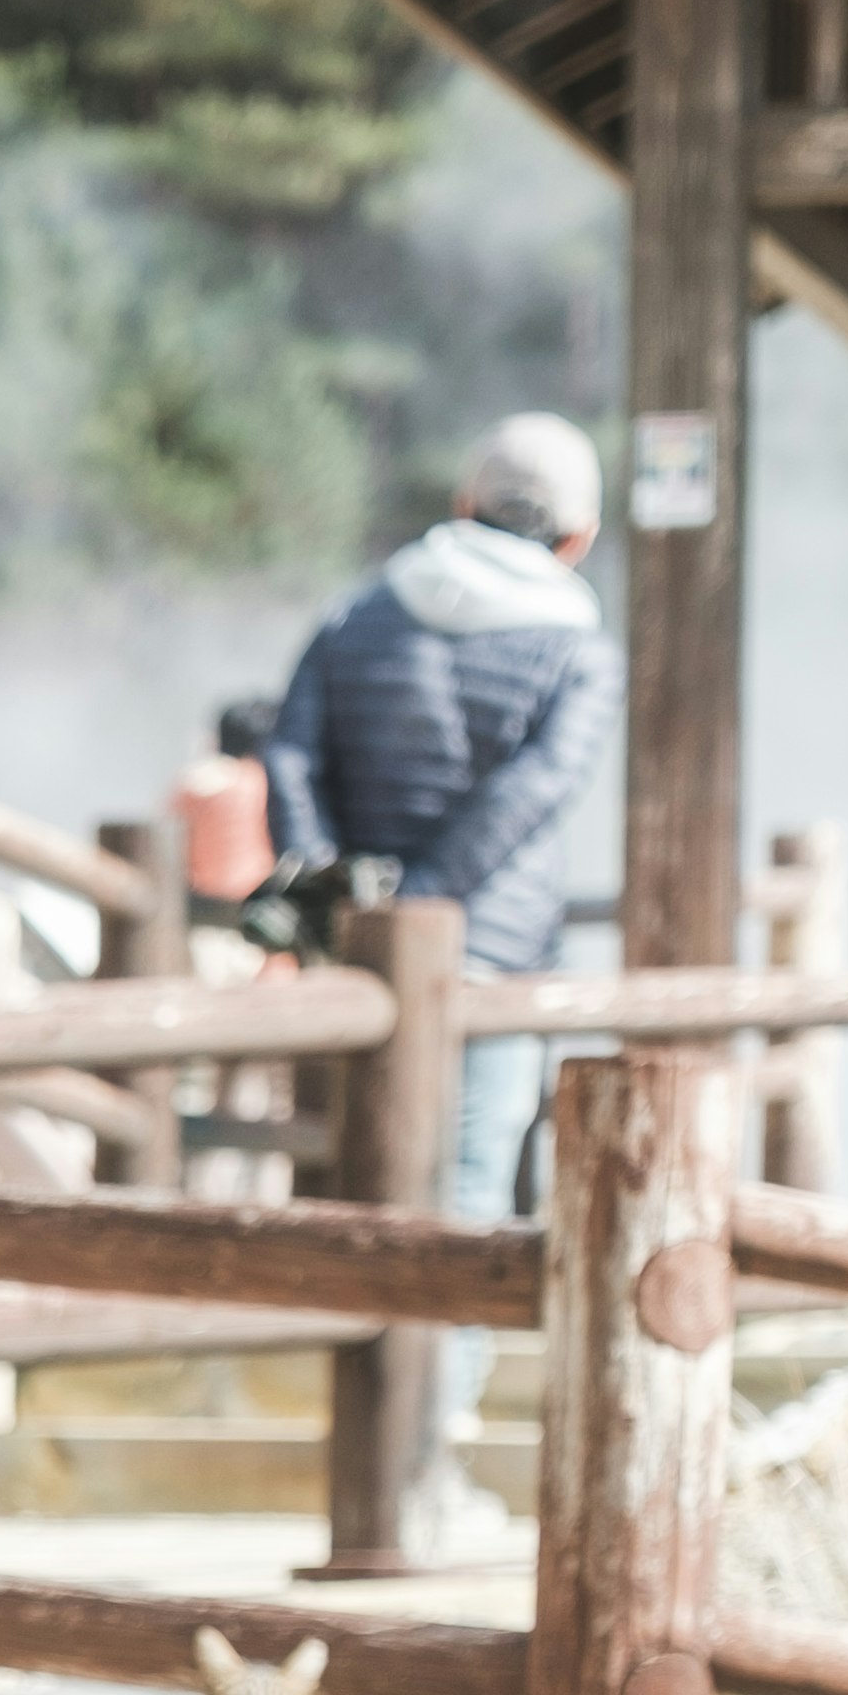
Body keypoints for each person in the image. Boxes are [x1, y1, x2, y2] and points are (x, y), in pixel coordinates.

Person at [262, 409, 619, 1227]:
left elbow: (289, 757)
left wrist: (337, 895)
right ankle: (447, 1364)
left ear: (464, 504)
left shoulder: (357, 615)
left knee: (335, 1205)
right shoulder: (580, 653)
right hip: (489, 963)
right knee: (463, 1211)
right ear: (580, 538)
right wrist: (421, 901)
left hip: (344, 960)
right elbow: (536, 789)